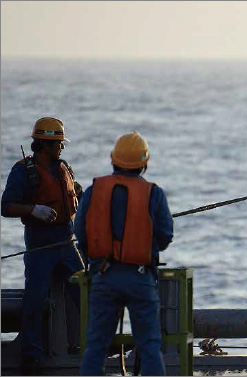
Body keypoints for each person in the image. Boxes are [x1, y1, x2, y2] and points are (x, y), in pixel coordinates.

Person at [76, 131, 173, 375]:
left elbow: (80, 231)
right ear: (144, 163)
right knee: (150, 345)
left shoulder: (95, 189)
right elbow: (165, 236)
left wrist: (95, 258)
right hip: (140, 278)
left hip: (104, 276)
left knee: (96, 345)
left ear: (114, 160)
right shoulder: (154, 193)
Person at [1, 117, 84, 375]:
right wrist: (32, 210)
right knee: (35, 301)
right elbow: (6, 206)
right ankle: (31, 357)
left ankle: (91, 348)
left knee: (86, 294)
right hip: (40, 245)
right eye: (58, 144)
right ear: (44, 144)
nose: (61, 148)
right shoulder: (23, 172)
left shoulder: (65, 168)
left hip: (67, 242)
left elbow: (78, 195)